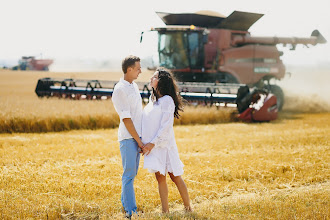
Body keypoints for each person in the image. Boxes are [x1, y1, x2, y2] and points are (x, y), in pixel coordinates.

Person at [141, 67, 192, 213]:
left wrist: (152, 143)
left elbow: (166, 126)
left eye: (154, 77)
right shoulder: (152, 101)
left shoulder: (167, 101)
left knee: (175, 176)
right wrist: (143, 142)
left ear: (161, 82)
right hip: (153, 146)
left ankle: (188, 208)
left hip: (165, 145)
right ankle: (165, 211)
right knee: (160, 177)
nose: (151, 78)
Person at [111, 55, 143, 219]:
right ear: (129, 69)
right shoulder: (120, 90)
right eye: (138, 68)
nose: (140, 71)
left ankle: (126, 206)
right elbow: (126, 119)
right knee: (129, 174)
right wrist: (139, 141)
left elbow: (138, 115)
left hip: (137, 137)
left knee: (131, 174)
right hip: (128, 138)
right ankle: (132, 211)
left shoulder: (134, 86)